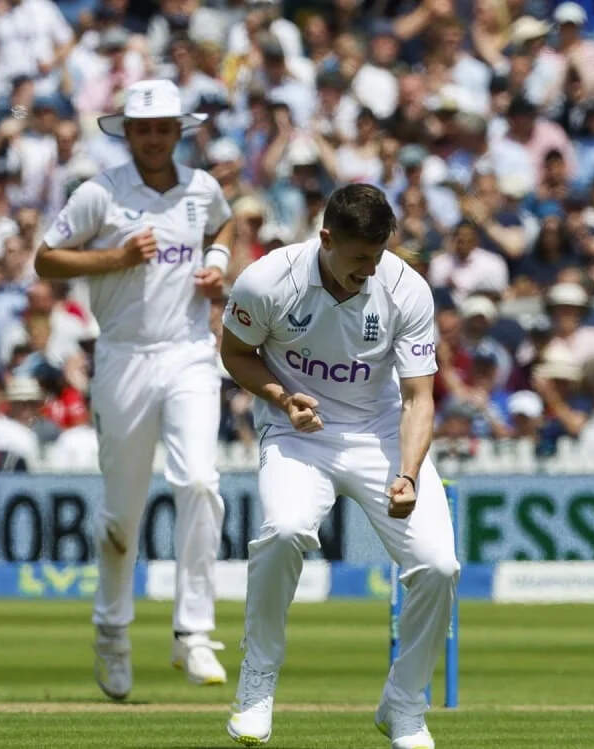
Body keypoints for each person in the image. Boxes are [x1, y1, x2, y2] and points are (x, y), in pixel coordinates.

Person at [220, 184, 458, 749]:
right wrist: (281, 397)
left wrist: (407, 470)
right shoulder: (266, 280)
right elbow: (234, 353)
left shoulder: (406, 289)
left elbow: (419, 398)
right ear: (326, 238)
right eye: (358, 259)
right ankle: (257, 681)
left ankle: (404, 707)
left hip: (379, 435)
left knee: (439, 565)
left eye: (377, 257)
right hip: (299, 432)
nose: (369, 271)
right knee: (284, 531)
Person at [35, 79, 234, 700]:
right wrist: (114, 261)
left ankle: (194, 632)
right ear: (128, 132)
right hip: (122, 356)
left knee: (201, 480)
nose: (153, 137)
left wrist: (219, 267)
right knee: (122, 516)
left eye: (164, 127)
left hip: (190, 353)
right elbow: (46, 260)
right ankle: (112, 634)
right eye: (143, 128)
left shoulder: (203, 190)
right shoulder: (100, 194)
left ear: (180, 131)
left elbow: (227, 229)